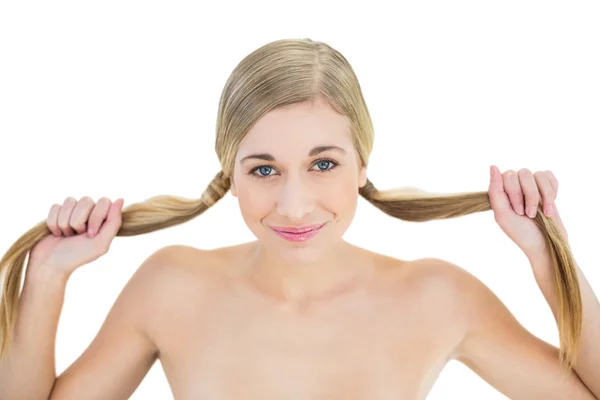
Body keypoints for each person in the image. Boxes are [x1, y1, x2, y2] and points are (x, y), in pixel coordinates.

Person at [0, 38, 598, 399]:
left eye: (322, 163)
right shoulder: (171, 286)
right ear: (229, 174)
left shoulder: (438, 296)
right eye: (263, 169)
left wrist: (548, 257)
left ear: (362, 163)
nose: (293, 204)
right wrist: (48, 278)